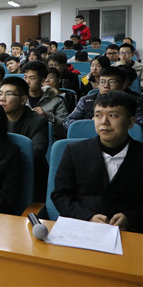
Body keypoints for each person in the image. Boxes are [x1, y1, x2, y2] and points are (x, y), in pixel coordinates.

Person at [52, 91, 143, 233]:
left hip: (130, 232)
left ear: (131, 122)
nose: (104, 122)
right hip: (82, 229)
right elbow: (60, 196)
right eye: (98, 115)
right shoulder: (74, 152)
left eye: (113, 115)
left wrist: (130, 217)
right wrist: (88, 217)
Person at [0, 77, 49, 202]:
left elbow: (36, 152)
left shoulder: (38, 121)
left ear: (23, 100)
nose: (2, 99)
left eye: (8, 94)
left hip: (30, 177)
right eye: (0, 94)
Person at [64, 66, 143, 129]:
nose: (106, 86)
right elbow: (67, 122)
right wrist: (90, 122)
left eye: (111, 82)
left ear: (122, 85)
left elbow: (139, 124)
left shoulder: (134, 101)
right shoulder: (86, 100)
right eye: (102, 82)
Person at [22, 61, 68, 139]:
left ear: (42, 81)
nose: (27, 82)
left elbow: (64, 129)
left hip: (47, 140)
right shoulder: (18, 98)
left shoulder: (56, 101)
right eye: (25, 77)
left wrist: (47, 115)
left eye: (32, 78)